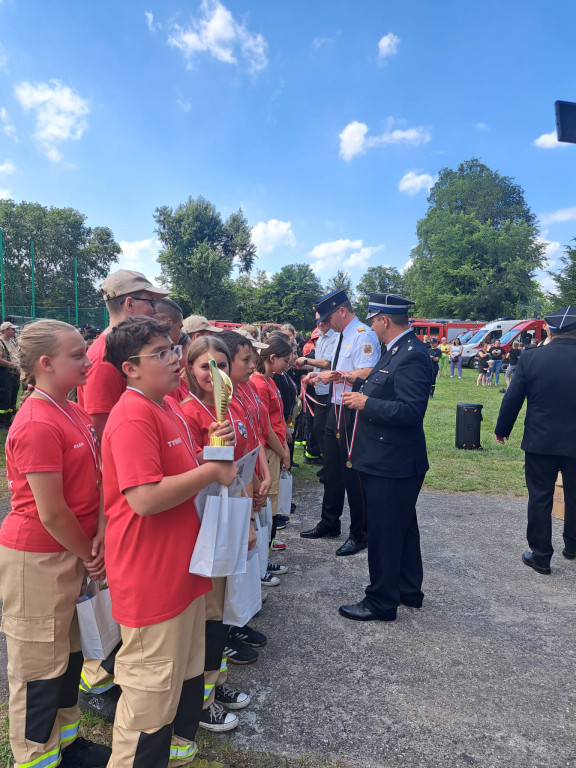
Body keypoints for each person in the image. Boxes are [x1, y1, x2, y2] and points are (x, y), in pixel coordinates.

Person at [101, 315, 236, 768]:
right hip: (151, 575)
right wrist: (210, 470)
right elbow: (143, 498)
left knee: (179, 679)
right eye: (160, 353)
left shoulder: (166, 405)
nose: (175, 359)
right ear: (129, 368)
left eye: (173, 348)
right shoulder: (133, 414)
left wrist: (209, 451)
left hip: (182, 568)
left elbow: (178, 470)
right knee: (148, 695)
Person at [0, 320, 111, 768]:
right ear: (46, 364)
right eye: (78, 355)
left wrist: (99, 533)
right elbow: (51, 510)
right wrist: (89, 550)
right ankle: (36, 757)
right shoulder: (37, 422)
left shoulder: (73, 410)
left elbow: (96, 481)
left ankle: (66, 741)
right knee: (37, 667)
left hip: (74, 548)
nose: (88, 362)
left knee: (68, 653)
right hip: (39, 558)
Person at [76, 268, 169, 720]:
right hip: (113, 489)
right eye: (150, 301)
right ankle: (99, 675)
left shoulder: (123, 351)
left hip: (124, 484)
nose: (158, 309)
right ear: (129, 304)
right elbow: (101, 435)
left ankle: (111, 666)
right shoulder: (104, 358)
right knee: (107, 583)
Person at [338, 293, 432, 621]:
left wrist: (366, 404)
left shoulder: (412, 355)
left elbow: (411, 410)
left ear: (384, 320)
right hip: (388, 458)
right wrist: (354, 381)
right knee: (402, 527)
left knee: (384, 532)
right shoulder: (397, 350)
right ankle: (408, 590)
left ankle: (380, 601)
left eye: (373, 319)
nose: (372, 325)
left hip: (393, 462)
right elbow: (384, 385)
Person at [180, 335, 255, 732]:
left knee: (221, 610)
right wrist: (211, 448)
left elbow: (236, 466)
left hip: (226, 514)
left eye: (222, 366)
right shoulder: (187, 412)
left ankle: (217, 682)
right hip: (201, 522)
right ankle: (202, 699)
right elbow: (186, 472)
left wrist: (244, 519)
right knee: (209, 615)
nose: (215, 374)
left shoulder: (225, 407)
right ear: (190, 370)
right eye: (205, 366)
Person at [494, 306, 576, 575]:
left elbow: (513, 397)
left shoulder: (531, 358)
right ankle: (573, 545)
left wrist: (502, 428)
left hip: (540, 440)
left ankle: (541, 556)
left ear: (550, 329)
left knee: (540, 498)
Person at [300, 289, 380, 556]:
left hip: (351, 409)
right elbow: (335, 368)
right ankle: (329, 522)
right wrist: (320, 376)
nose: (325, 322)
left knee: (352, 472)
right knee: (332, 468)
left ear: (342, 312)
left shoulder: (363, 335)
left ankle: (360, 533)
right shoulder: (341, 336)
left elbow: (369, 372)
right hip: (335, 407)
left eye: (328, 316)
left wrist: (334, 376)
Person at [0, 320, 20, 429]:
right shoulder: (0, 342)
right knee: (5, 397)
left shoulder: (12, 341)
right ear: (6, 330)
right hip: (4, 374)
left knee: (12, 397)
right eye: (12, 329)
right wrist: (13, 365)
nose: (14, 331)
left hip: (13, 374)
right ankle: (2, 422)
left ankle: (8, 419)